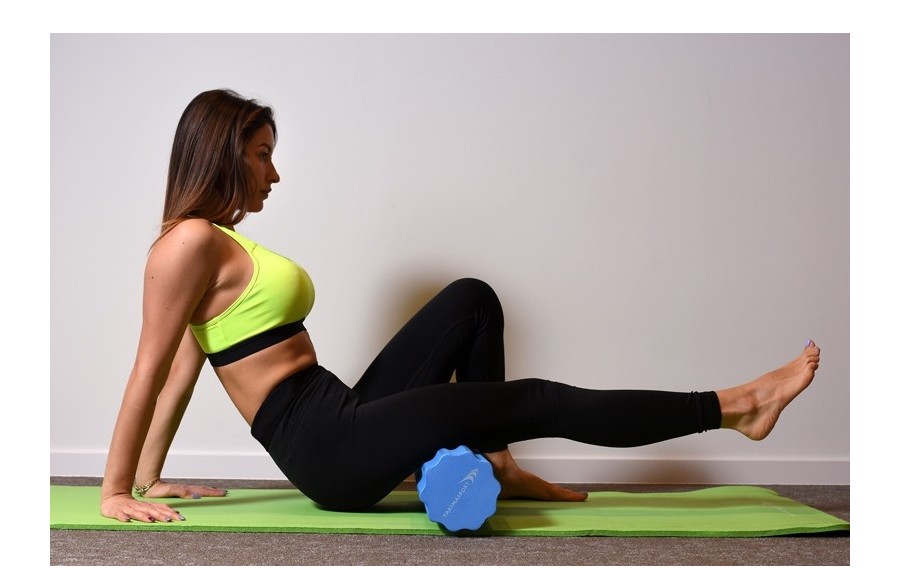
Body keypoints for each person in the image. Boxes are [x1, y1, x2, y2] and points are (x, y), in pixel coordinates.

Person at [100, 89, 821, 523]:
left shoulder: (213, 243)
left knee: (470, 300)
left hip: (339, 416)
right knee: (537, 399)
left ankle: (497, 462)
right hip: (329, 451)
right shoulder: (187, 244)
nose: (274, 172)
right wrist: (115, 491)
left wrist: (151, 475)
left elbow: (188, 367)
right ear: (222, 152)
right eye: (262, 154)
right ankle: (737, 407)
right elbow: (153, 372)